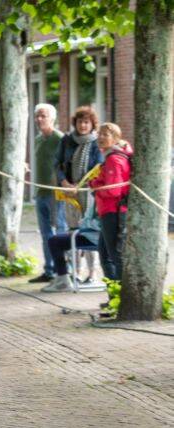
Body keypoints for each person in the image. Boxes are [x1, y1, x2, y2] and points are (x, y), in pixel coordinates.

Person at [55, 106, 103, 283]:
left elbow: (98, 168)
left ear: (92, 124)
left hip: (89, 194)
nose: (83, 125)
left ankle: (92, 273)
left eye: (86, 122)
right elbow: (58, 164)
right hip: (69, 193)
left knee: (89, 232)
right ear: (75, 123)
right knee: (73, 231)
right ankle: (75, 271)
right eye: (80, 122)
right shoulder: (67, 140)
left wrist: (82, 185)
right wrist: (65, 183)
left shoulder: (97, 143)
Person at [29, 103, 67, 283]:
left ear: (52, 118)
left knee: (59, 230)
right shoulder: (38, 139)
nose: (39, 119)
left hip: (55, 193)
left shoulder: (59, 138)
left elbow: (65, 163)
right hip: (40, 191)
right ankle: (49, 269)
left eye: (43, 116)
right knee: (45, 233)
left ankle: (64, 271)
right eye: (37, 116)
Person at [89, 123, 132, 281]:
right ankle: (113, 295)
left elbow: (113, 190)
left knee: (115, 255)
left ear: (115, 139)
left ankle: (119, 297)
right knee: (105, 254)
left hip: (114, 212)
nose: (100, 137)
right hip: (108, 211)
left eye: (105, 135)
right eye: (99, 134)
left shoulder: (114, 159)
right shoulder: (109, 157)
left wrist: (94, 185)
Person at [41, 191, 101, 292]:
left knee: (56, 241)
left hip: (95, 237)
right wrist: (85, 223)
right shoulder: (98, 199)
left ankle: (64, 280)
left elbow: (99, 225)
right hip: (88, 234)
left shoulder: (108, 202)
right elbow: (87, 219)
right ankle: (63, 277)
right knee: (54, 240)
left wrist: (85, 223)